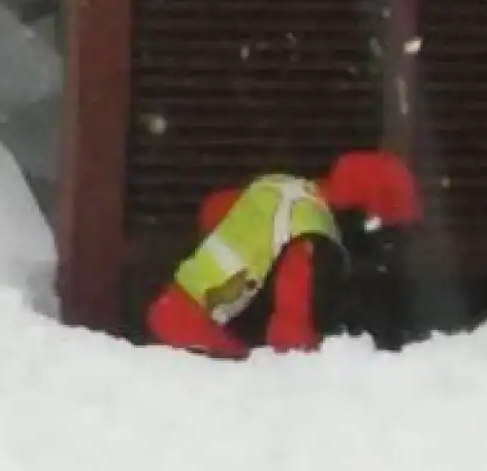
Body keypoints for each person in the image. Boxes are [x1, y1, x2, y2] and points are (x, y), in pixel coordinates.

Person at [144, 149, 420, 359]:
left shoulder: (281, 188)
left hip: (167, 315)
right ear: (363, 217)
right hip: (201, 345)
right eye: (386, 234)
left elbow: (212, 210)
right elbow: (289, 336)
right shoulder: (313, 236)